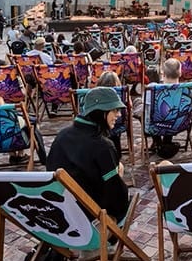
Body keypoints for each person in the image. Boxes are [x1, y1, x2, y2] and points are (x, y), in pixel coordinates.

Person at [46, 86, 130, 223]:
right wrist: (118, 176)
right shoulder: (103, 146)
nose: (119, 114)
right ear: (102, 112)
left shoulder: (62, 136)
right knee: (119, 181)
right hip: (91, 220)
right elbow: (116, 200)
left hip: (61, 215)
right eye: (115, 110)